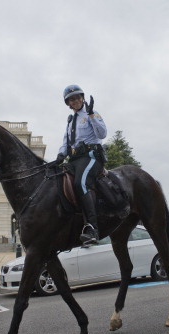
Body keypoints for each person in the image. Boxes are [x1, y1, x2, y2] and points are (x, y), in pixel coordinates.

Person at [56, 84, 107, 246]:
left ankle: (92, 228)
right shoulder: (71, 121)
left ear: (83, 98)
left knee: (81, 183)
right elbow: (67, 142)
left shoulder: (92, 113)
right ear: (68, 103)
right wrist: (59, 156)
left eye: (78, 97)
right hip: (74, 160)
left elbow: (102, 134)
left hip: (92, 156)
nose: (76, 100)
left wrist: (91, 114)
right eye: (72, 99)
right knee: (56, 179)